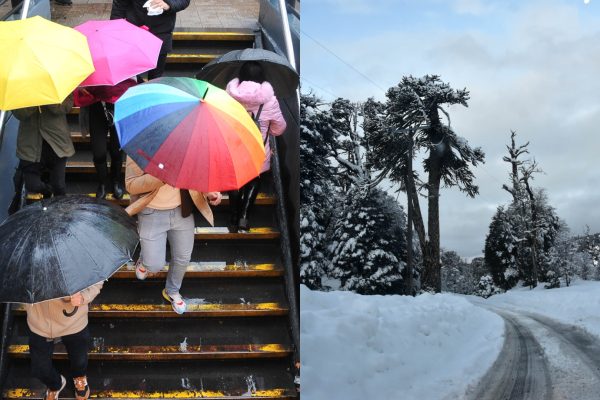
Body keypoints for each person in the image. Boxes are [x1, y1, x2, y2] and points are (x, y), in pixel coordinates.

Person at [125, 157, 222, 314]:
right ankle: (144, 260)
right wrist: (162, 176)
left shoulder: (190, 146)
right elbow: (131, 185)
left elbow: (198, 178)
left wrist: (209, 193)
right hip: (151, 211)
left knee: (183, 257)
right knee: (154, 265)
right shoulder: (139, 147)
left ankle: (172, 290)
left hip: (181, 211)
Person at [225, 61, 287, 232]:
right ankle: (244, 216)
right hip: (258, 149)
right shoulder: (270, 100)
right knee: (254, 180)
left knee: (235, 181)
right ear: (262, 78)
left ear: (241, 76)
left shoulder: (228, 96)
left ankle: (233, 217)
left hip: (234, 147)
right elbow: (280, 127)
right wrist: (269, 132)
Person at [26, 283, 103, 400]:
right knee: (40, 368)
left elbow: (96, 276)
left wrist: (84, 296)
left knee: (79, 360)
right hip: (40, 321)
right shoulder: (28, 264)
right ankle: (55, 384)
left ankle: (79, 376)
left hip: (74, 320)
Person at [75, 80, 137, 199]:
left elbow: (132, 83)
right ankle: (103, 183)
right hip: (96, 107)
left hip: (118, 106)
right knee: (99, 152)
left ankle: (116, 181)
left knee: (116, 150)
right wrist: (82, 88)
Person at [12, 96, 74, 199]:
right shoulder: (21, 89)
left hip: (57, 143)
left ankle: (60, 213)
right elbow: (20, 114)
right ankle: (47, 191)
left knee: (59, 186)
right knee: (32, 185)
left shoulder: (59, 83)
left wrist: (47, 98)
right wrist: (34, 100)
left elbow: (66, 107)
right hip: (30, 144)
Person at [110, 0, 191, 79]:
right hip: (135, 31)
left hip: (161, 33)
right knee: (132, 75)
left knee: (156, 76)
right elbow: (118, 8)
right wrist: (114, 32)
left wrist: (169, 4)